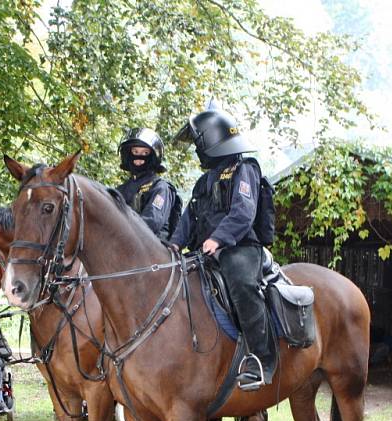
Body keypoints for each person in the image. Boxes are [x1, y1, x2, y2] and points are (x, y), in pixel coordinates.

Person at [171, 106, 276, 391]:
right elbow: (188, 219)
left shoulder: (245, 169)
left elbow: (244, 212)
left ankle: (260, 359)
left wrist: (218, 239)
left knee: (241, 282)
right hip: (207, 251)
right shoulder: (204, 181)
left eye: (198, 144)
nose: (196, 151)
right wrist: (173, 244)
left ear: (212, 140)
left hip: (240, 248)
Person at [115, 128, 180, 241]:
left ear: (153, 156)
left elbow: (151, 222)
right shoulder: (121, 190)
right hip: (124, 245)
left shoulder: (161, 188)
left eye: (145, 153)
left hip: (155, 251)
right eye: (135, 152)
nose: (139, 158)